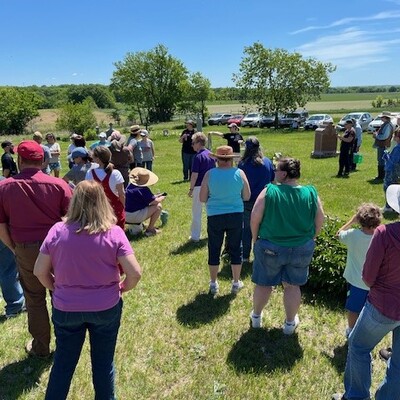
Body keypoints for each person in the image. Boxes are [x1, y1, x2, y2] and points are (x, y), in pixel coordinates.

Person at [33, 180, 142, 400]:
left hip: (66, 307)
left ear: (74, 201)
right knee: (103, 364)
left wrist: (55, 287)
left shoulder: (57, 231)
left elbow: (39, 271)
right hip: (105, 306)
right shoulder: (114, 233)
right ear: (103, 202)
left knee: (63, 364)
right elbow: (135, 273)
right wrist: (121, 288)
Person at [0, 140, 72, 357]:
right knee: (61, 294)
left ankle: (41, 346)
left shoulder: (4, 187)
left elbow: (1, 226)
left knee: (34, 297)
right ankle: (67, 345)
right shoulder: (59, 185)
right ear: (42, 160)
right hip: (57, 248)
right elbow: (71, 218)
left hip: (25, 248)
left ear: (20, 160)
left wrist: (14, 248)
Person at [332, 184, 400, 400]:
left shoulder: (385, 234)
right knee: (398, 361)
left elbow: (368, 277)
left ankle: (356, 396)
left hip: (384, 306)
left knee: (358, 346)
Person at [250, 157, 324, 333]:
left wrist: (255, 239)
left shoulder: (270, 191)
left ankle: (256, 317)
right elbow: (320, 218)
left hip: (270, 246)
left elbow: (254, 217)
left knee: (264, 284)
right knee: (292, 286)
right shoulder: (311, 192)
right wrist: (312, 237)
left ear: (283, 174)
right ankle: (290, 324)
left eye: (276, 170)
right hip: (301, 247)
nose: (274, 173)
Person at [199, 145, 250, 295]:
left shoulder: (209, 174)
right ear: (231, 159)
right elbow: (246, 196)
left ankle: (214, 283)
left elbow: (202, 198)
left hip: (215, 215)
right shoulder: (240, 173)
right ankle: (235, 282)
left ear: (217, 159)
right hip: (235, 214)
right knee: (236, 248)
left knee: (214, 248)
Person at [337, 203, 382, 337]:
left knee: (353, 310)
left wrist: (351, 221)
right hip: (375, 284)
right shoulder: (381, 238)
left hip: (356, 282)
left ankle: (351, 331)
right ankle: (366, 334)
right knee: (370, 312)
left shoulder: (353, 235)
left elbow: (338, 234)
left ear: (360, 220)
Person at [238, 137, 275, 262]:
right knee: (264, 228)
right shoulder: (267, 162)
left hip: (247, 201)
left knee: (247, 229)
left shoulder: (242, 164)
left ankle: (245, 256)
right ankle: (263, 255)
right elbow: (273, 182)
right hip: (265, 201)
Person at [86, 146, 126, 229]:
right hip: (115, 210)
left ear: (97, 158)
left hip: (98, 210)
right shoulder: (116, 173)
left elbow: (88, 194)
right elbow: (121, 194)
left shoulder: (90, 173)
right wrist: (125, 206)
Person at [188, 132, 216, 242]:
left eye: (193, 143)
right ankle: (213, 234)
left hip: (199, 186)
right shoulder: (211, 155)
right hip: (211, 186)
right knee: (211, 211)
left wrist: (191, 189)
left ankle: (195, 236)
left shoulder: (198, 157)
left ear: (199, 143)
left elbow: (194, 175)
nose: (192, 145)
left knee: (196, 212)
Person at [125, 167, 166, 237]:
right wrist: (162, 197)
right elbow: (155, 202)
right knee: (158, 206)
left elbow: (148, 198)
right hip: (134, 216)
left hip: (125, 215)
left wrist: (155, 196)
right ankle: (150, 229)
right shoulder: (143, 189)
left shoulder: (130, 186)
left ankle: (138, 226)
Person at [382, 129, 400, 212]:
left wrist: (386, 156)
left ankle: (389, 206)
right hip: (397, 172)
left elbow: (393, 161)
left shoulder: (397, 148)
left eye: (394, 136)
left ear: (397, 137)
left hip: (392, 171)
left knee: (388, 187)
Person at [373, 111, 394, 182]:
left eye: (382, 117)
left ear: (385, 118)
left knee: (382, 161)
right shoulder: (386, 124)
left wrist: (376, 136)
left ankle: (381, 176)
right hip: (382, 145)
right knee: (381, 160)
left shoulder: (387, 125)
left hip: (383, 145)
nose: (381, 118)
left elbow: (384, 136)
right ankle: (381, 176)